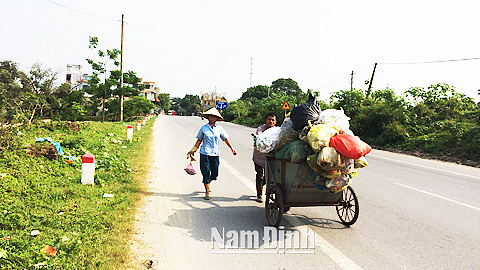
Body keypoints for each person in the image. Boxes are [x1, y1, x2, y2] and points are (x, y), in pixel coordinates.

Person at [187, 107, 237, 200]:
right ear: (208, 117)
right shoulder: (203, 128)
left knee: (214, 174)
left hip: (215, 154)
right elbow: (199, 140)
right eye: (210, 116)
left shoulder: (220, 129)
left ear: (217, 118)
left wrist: (232, 148)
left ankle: (207, 182)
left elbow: (225, 139)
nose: (212, 118)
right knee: (205, 172)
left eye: (214, 117)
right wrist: (193, 150)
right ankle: (207, 191)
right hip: (204, 153)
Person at [253, 112, 277, 202]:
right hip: (259, 156)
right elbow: (260, 137)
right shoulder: (261, 129)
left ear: (275, 121)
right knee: (260, 175)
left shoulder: (276, 130)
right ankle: (259, 195)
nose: (270, 121)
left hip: (271, 157)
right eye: (269, 119)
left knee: (269, 176)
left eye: (272, 120)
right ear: (266, 120)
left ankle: (266, 189)